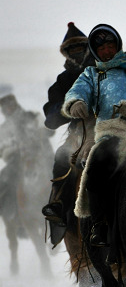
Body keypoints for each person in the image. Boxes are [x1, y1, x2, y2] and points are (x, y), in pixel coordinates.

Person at [61, 24, 126, 247]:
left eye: (111, 45)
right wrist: (76, 102)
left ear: (118, 44)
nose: (107, 51)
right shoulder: (91, 74)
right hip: (110, 132)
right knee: (95, 166)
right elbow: (77, 91)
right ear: (95, 51)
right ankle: (99, 224)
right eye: (102, 48)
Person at [41, 22, 96, 235]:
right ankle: (58, 205)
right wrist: (69, 108)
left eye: (80, 48)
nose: (77, 53)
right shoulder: (64, 80)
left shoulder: (105, 69)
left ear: (88, 47)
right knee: (62, 157)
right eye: (71, 50)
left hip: (112, 125)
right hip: (81, 132)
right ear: (66, 54)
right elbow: (51, 115)